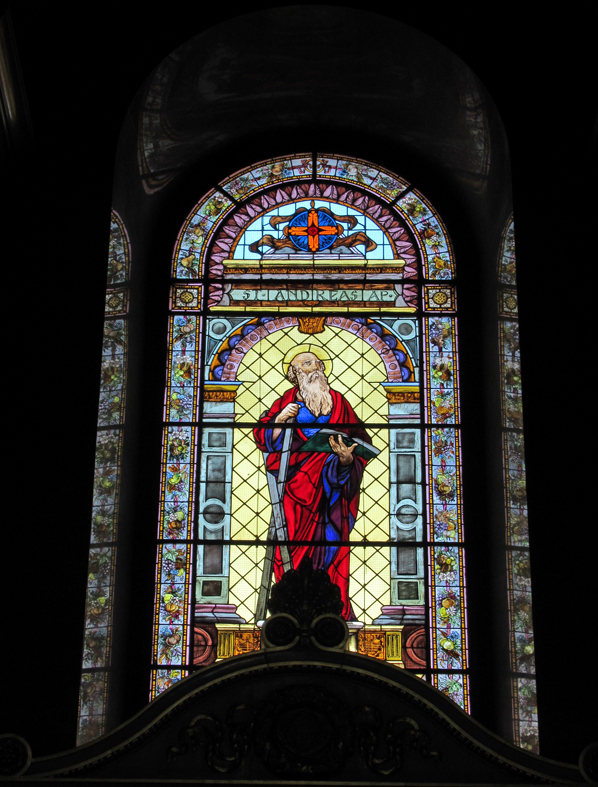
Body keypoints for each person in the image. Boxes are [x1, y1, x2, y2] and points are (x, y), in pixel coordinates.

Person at [253, 346, 371, 620]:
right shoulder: (285, 402)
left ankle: (334, 609)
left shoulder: (339, 403)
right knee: (292, 545)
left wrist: (346, 460)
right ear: (294, 374)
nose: (315, 368)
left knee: (332, 547)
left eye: (317, 363)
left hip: (334, 494)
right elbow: (263, 438)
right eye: (306, 364)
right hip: (295, 490)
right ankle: (288, 606)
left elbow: (362, 442)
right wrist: (280, 419)